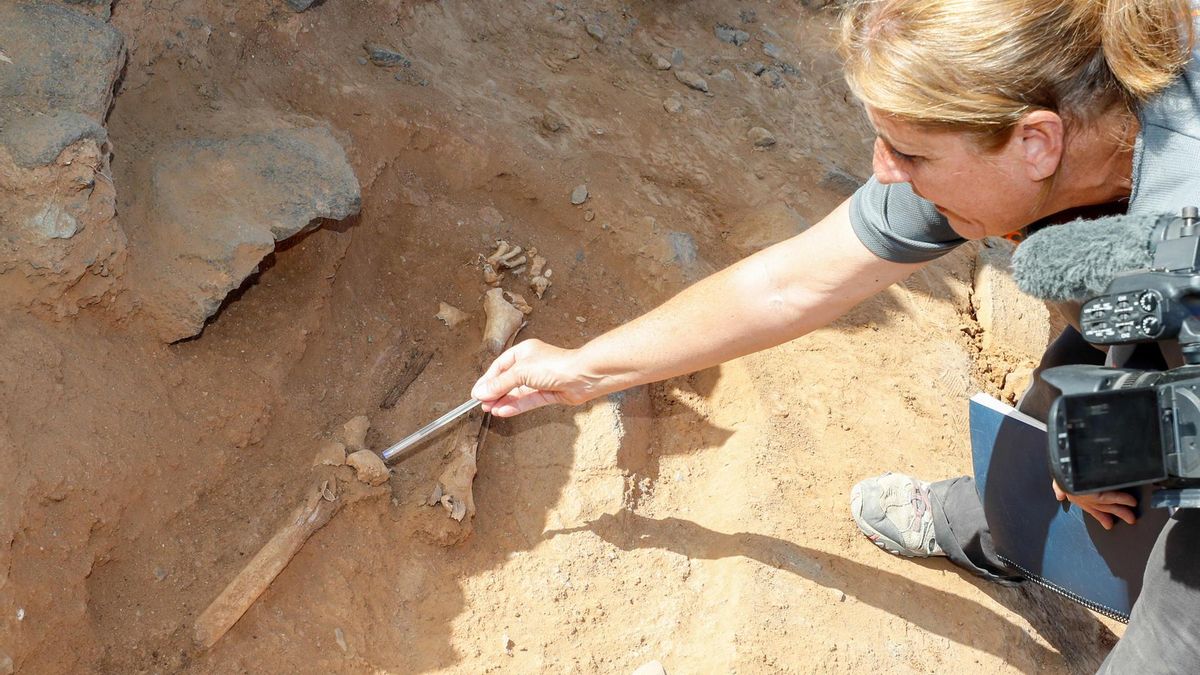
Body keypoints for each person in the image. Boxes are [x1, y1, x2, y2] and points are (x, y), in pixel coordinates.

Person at [472, 0, 1200, 670]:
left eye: (909, 154)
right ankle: (999, 520)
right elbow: (790, 284)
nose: (885, 171)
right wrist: (587, 368)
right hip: (1158, 297)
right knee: (1052, 419)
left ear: (1037, 142)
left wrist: (1126, 440)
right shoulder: (1035, 125)